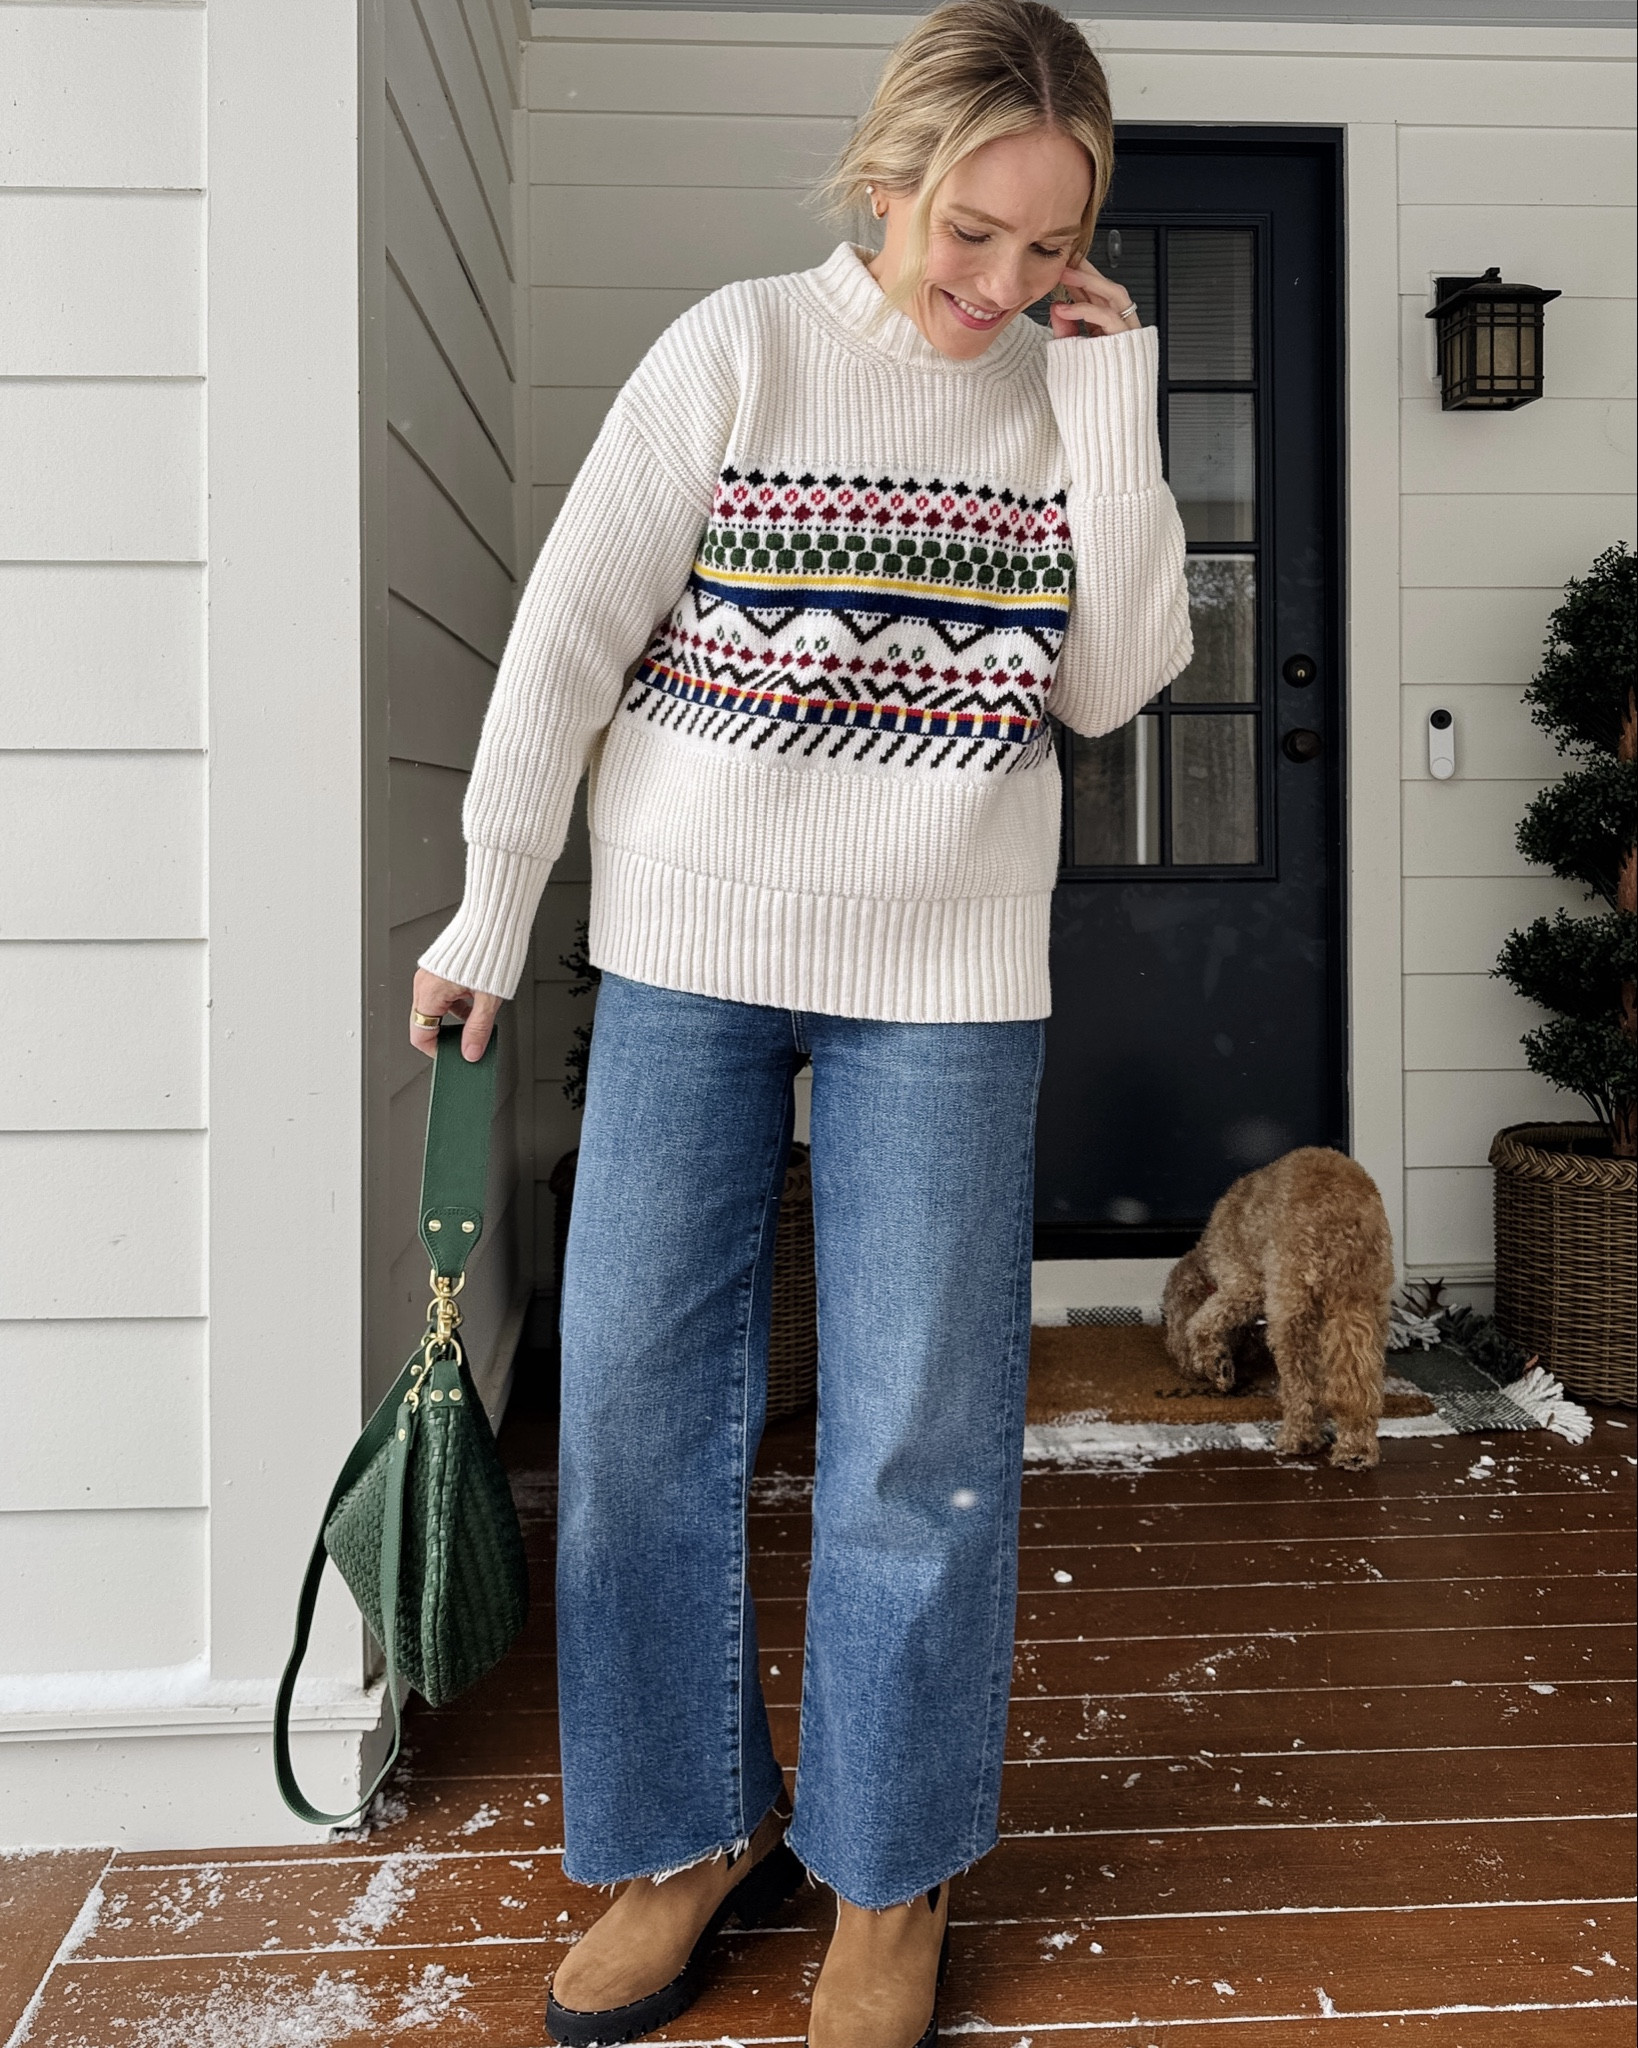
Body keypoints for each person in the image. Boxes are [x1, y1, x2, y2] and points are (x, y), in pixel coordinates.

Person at [409, 4, 1189, 2041]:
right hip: (686, 946)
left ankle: (888, 1868)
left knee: (921, 1439)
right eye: (972, 235)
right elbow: (568, 633)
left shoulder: (1061, 394)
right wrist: (495, 903)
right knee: (640, 1416)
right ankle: (687, 1832)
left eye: (1049, 244)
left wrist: (1109, 406)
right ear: (888, 178)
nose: (1001, 285)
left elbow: (1112, 682)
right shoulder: (736, 349)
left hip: (946, 976)